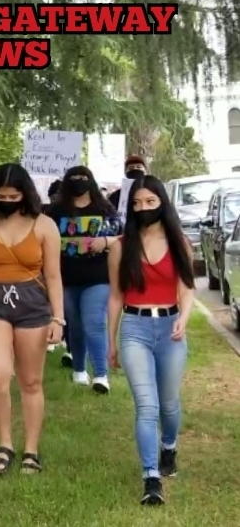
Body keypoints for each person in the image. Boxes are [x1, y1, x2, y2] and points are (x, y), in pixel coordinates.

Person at [0, 163, 63, 475]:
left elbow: (54, 276)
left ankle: (31, 448)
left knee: (31, 380)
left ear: (25, 194)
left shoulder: (45, 225)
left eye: (13, 195)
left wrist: (59, 318)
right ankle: (5, 442)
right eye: (0, 196)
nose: (6, 201)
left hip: (33, 303)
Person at [107, 175, 194, 505]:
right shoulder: (120, 248)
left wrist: (183, 319)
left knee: (169, 404)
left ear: (162, 204)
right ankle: (150, 478)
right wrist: (111, 341)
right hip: (134, 328)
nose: (143, 208)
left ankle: (168, 447)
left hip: (171, 326)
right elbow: (115, 297)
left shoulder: (179, 243)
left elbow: (187, 288)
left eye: (150, 202)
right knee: (147, 405)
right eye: (136, 203)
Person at [47, 166, 121, 392]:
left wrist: (106, 242)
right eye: (74, 178)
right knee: (75, 325)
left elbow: (123, 235)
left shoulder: (105, 208)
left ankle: (101, 375)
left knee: (94, 323)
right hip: (65, 278)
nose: (79, 182)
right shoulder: (55, 212)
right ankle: (79, 369)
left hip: (98, 276)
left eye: (84, 178)